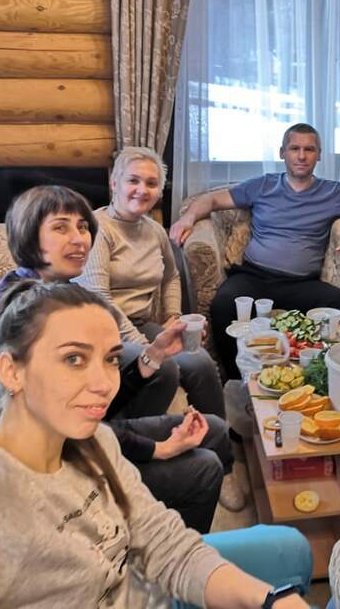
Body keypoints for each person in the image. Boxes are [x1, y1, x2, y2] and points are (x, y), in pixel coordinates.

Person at [0, 281, 311, 608]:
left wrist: (269, 602)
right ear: (11, 371)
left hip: (143, 586)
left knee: (292, 548)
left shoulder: (93, 439)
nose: (103, 384)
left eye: (110, 359)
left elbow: (165, 543)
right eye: (73, 359)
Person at [0, 185, 236, 530]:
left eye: (82, 227)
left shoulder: (59, 294)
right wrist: (157, 449)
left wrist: (154, 355)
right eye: (60, 227)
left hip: (79, 434)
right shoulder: (13, 315)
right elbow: (64, 430)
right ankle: (149, 554)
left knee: (214, 430)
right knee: (203, 468)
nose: (79, 239)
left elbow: (92, 403)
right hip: (44, 464)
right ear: (29, 236)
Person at [76, 146, 240, 509]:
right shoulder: (97, 230)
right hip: (104, 332)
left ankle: (224, 462)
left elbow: (171, 277)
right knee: (164, 368)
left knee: (200, 362)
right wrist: (148, 345)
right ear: (114, 182)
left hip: (142, 324)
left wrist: (172, 318)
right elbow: (99, 298)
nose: (142, 190)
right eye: (133, 180)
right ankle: (146, 456)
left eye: (151, 184)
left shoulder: (153, 230)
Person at [170, 123, 340, 379]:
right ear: (283, 152)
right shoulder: (264, 185)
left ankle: (319, 376)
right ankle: (239, 379)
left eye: (309, 149)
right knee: (223, 304)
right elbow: (212, 199)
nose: (302, 156)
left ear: (319, 155)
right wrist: (188, 218)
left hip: (302, 284)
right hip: (254, 277)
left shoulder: (333, 192)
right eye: (295, 148)